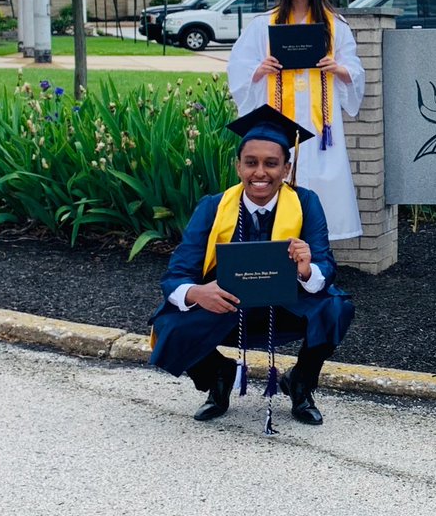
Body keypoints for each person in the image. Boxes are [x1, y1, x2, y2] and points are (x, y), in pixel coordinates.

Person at [149, 104, 354, 428]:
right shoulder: (213, 207)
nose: (260, 172)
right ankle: (217, 375)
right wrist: (198, 293)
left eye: (271, 163)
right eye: (251, 163)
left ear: (286, 169)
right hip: (227, 303)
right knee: (167, 325)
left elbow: (326, 265)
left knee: (336, 308)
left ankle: (300, 382)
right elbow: (176, 275)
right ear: (238, 166)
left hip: (285, 301)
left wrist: (305, 269)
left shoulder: (305, 202)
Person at [227, 0, 365, 241]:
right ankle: (276, 245)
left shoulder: (335, 26)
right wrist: (258, 70)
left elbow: (354, 68)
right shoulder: (262, 25)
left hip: (321, 125)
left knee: (321, 182)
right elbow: (237, 68)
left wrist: (338, 68)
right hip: (279, 120)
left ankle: (316, 253)